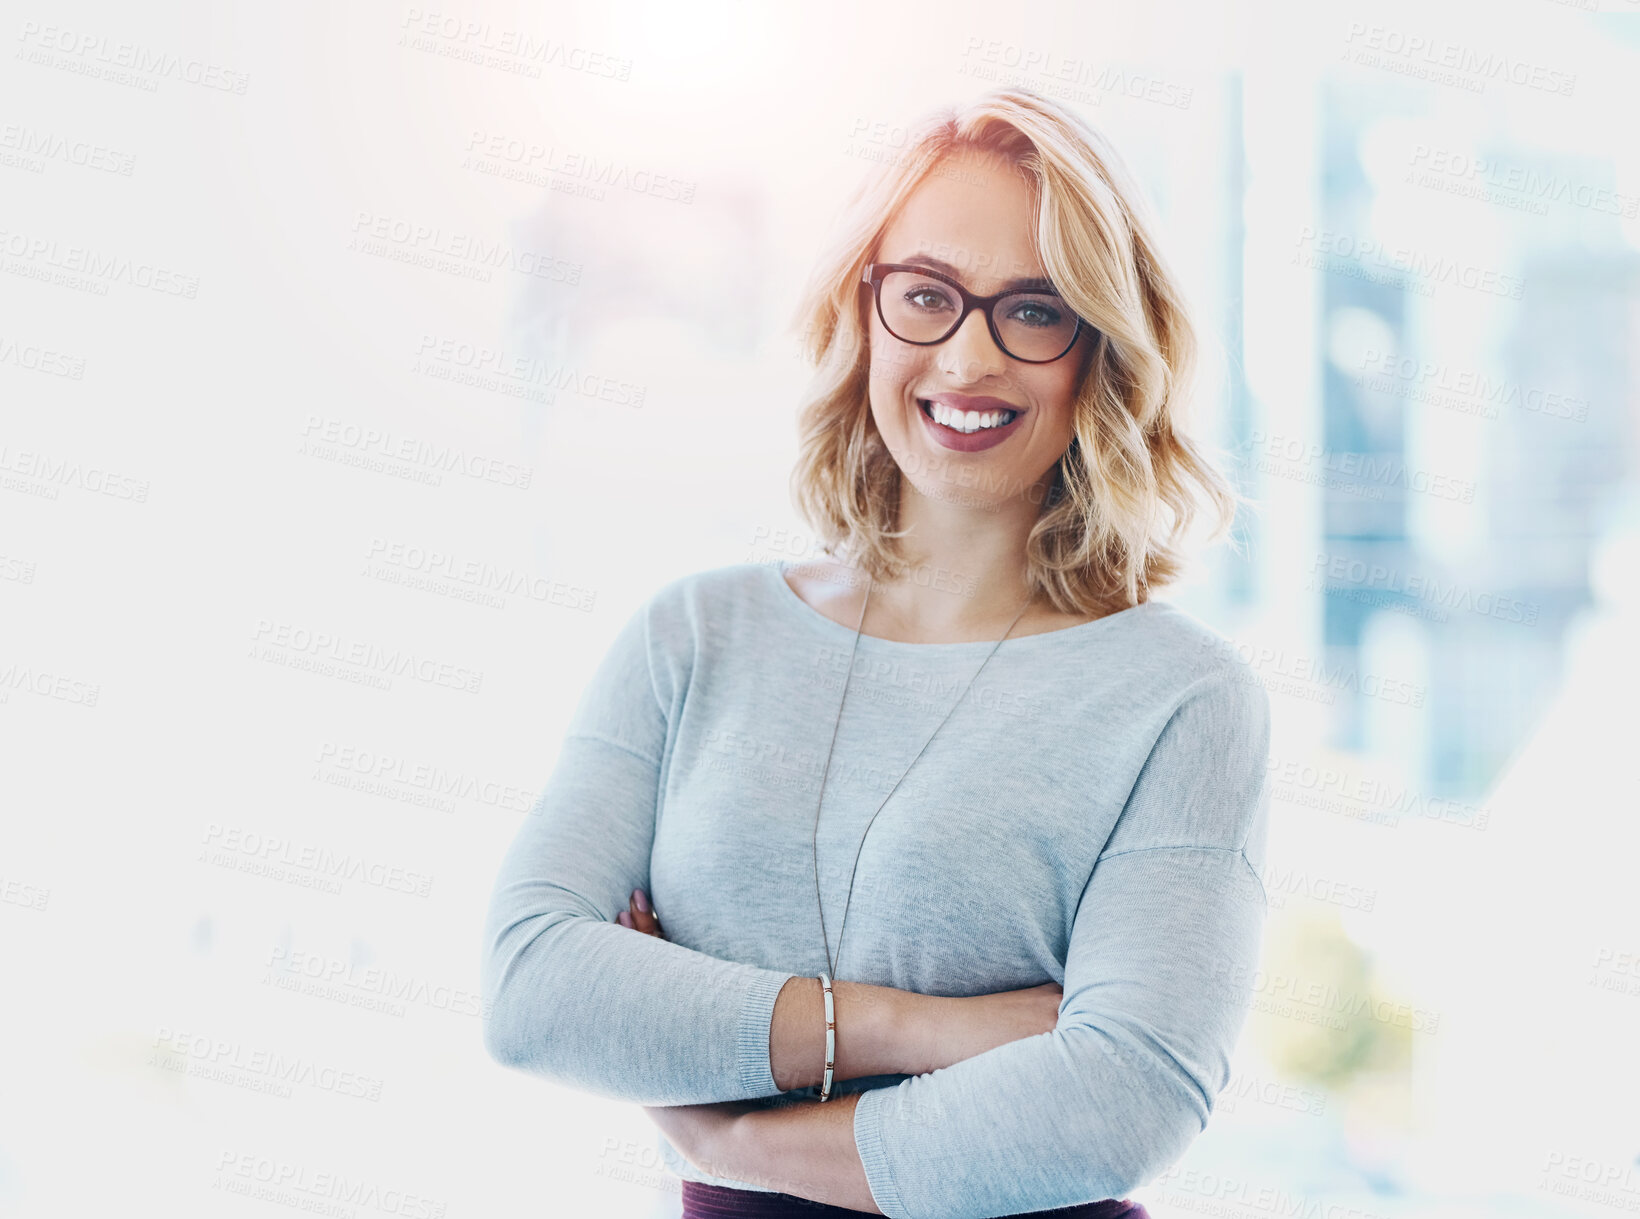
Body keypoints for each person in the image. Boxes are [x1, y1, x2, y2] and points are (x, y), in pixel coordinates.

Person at [481, 86, 1271, 1219]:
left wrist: (728, 1137)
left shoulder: (1180, 698)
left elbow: (1121, 1104)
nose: (968, 355)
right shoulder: (695, 636)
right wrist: (928, 1028)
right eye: (926, 295)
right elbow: (531, 989)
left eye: (1034, 310)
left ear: (1095, 349)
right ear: (863, 311)